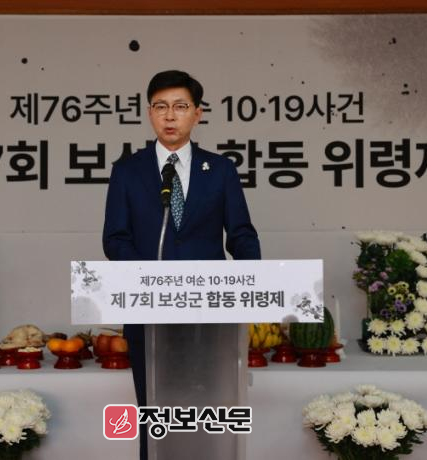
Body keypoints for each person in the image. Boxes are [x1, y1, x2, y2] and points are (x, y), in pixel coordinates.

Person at [102, 69, 261, 460]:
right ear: (149, 113)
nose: (170, 116)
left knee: (209, 414)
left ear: (197, 113)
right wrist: (150, 281)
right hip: (148, 313)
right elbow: (115, 238)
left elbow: (241, 234)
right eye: (160, 107)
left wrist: (253, 279)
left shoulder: (220, 170)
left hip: (210, 316)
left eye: (180, 106)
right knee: (155, 414)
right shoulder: (128, 171)